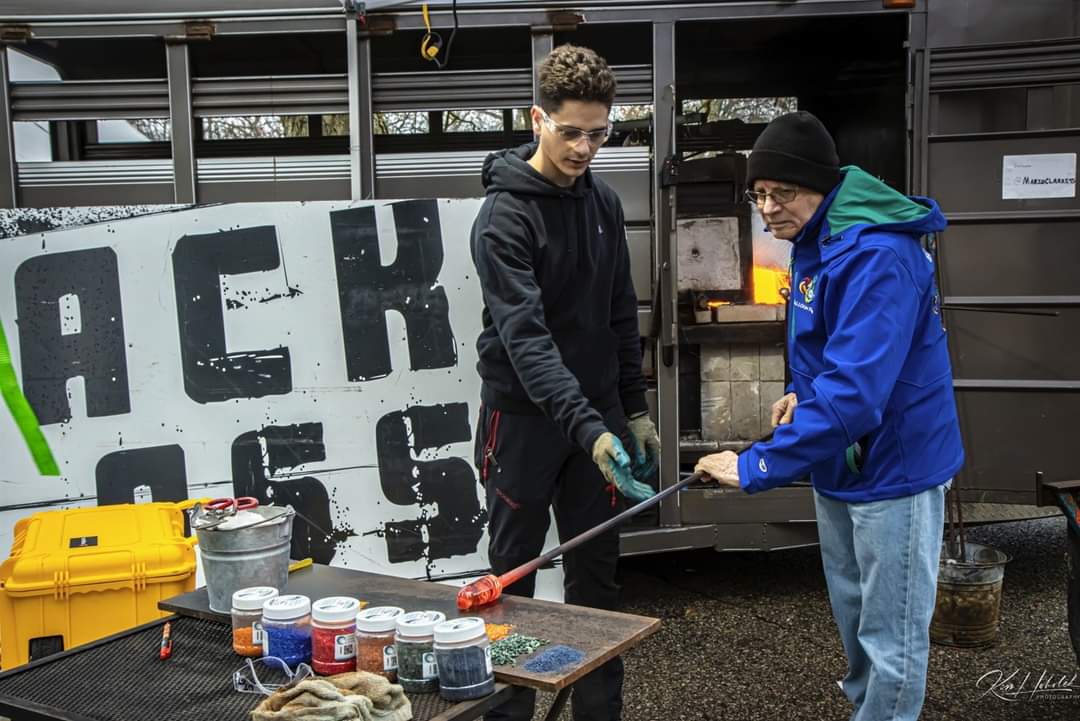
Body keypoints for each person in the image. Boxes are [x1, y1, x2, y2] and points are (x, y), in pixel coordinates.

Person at [695, 111, 964, 721]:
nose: (767, 208)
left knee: (890, 639)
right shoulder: (817, 243)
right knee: (855, 625)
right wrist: (800, 394)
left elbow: (858, 393)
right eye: (758, 194)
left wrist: (756, 463)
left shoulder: (878, 256)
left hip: (895, 470)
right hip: (841, 465)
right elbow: (831, 356)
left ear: (820, 185)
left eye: (781, 193)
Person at [469, 44, 658, 721]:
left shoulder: (604, 203)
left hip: (598, 421)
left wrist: (632, 410)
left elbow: (617, 312)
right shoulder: (503, 219)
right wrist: (588, 427)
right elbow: (528, 341)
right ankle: (509, 712)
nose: (585, 147)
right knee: (512, 578)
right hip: (521, 421)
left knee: (597, 580)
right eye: (571, 131)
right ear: (537, 118)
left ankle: (599, 714)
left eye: (599, 133)